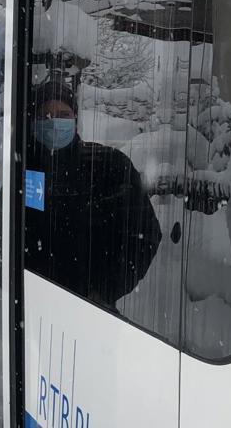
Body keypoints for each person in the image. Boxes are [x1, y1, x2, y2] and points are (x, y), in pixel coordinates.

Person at [24, 79, 161, 307]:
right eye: (45, 115)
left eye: (63, 114)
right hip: (30, 301)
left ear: (75, 119)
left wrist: (103, 291)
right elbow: (6, 228)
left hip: (89, 311)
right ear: (33, 122)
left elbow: (145, 235)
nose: (54, 122)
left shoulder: (108, 166)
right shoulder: (22, 170)